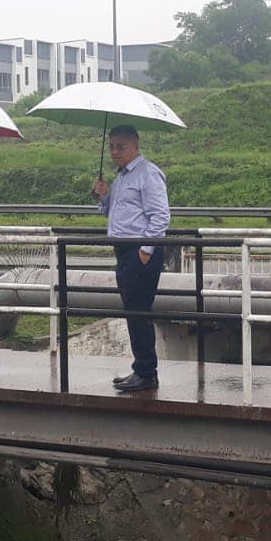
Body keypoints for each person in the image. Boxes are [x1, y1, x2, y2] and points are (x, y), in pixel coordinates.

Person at [92, 124, 170, 393]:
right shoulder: (122, 177)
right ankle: (141, 369)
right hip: (124, 250)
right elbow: (113, 212)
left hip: (140, 251)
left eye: (121, 146)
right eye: (112, 146)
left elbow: (161, 216)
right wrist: (104, 197)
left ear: (136, 146)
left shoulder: (148, 174)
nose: (115, 151)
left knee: (138, 311)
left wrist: (144, 252)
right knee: (132, 311)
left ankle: (147, 373)